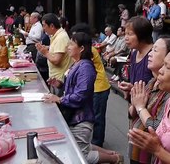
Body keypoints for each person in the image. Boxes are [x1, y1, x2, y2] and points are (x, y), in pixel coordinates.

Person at [42, 32, 122, 164]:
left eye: (72, 44)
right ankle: (110, 153)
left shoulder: (85, 67)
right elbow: (73, 87)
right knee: (78, 145)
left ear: (81, 48)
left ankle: (114, 159)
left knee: (81, 155)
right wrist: (60, 83)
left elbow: (81, 95)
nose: (68, 46)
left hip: (81, 117)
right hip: (74, 115)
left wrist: (60, 99)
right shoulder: (77, 63)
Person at [128, 36, 170, 164]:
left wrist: (140, 107)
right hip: (136, 151)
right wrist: (135, 100)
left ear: (169, 58)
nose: (149, 54)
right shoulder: (152, 81)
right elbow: (131, 113)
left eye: (155, 51)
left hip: (151, 156)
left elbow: (158, 127)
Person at [70, 23, 112, 147]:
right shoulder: (87, 50)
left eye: (74, 39)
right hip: (93, 87)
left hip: (99, 87)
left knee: (97, 117)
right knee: (94, 116)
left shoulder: (89, 51)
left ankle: (97, 144)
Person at [36, 13, 73, 95]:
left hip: (59, 80)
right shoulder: (57, 35)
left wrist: (45, 52)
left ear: (52, 26)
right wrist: (46, 48)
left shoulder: (61, 37)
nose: (43, 28)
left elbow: (56, 60)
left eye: (44, 25)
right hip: (55, 79)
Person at [118, 16, 153, 99]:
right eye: (125, 34)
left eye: (129, 34)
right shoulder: (134, 53)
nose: (126, 38)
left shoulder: (154, 55)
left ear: (142, 34)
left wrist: (133, 89)